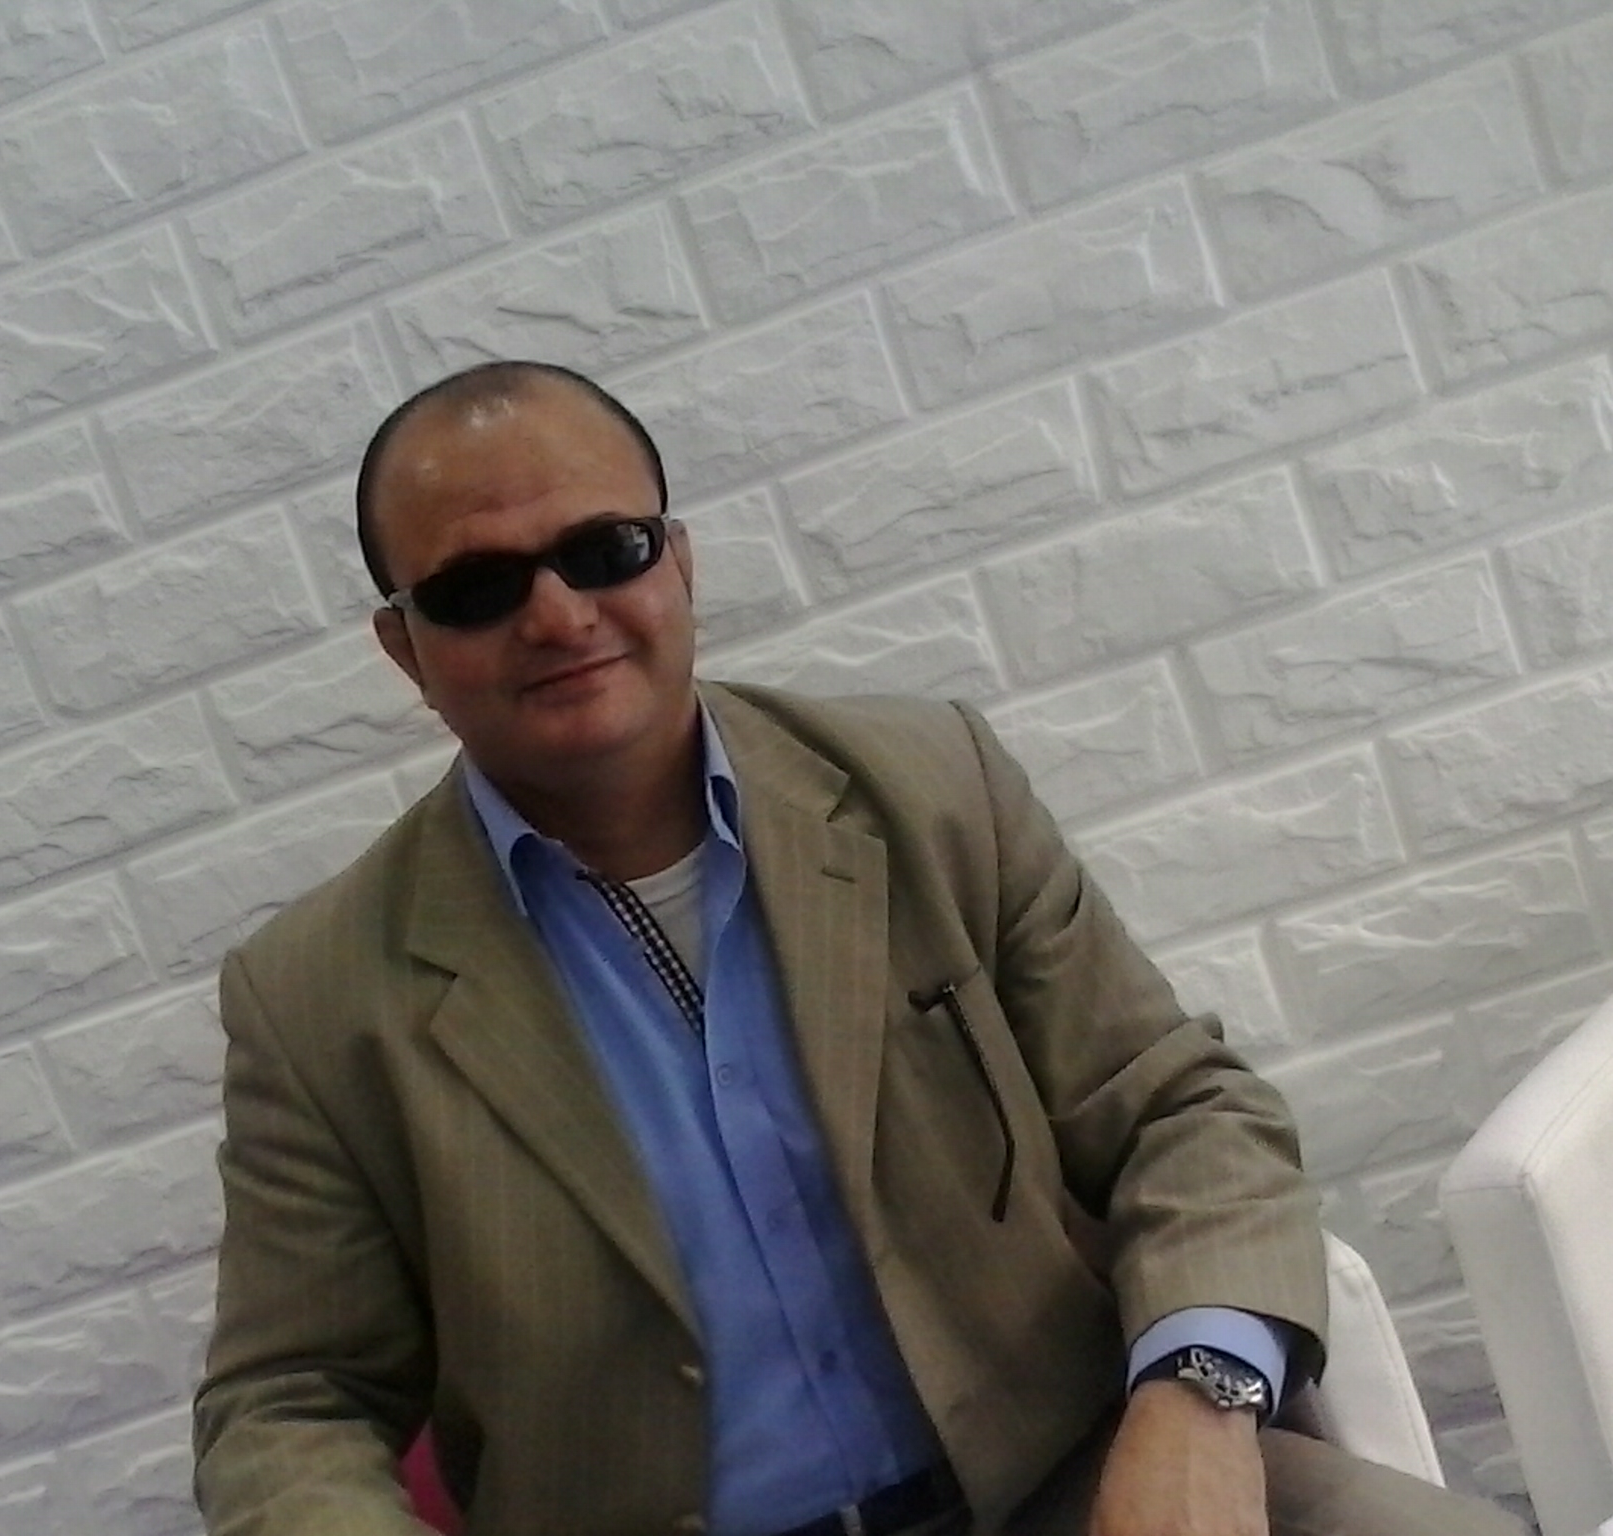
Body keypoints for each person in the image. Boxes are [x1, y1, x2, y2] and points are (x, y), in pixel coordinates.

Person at [192, 362, 1519, 1536]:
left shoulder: (928, 790)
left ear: (678, 565)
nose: (557, 614)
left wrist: (1197, 1402)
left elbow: (1184, 1114)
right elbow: (286, 1406)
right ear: (405, 650)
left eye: (605, 549)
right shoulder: (318, 999)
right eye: (479, 588)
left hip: (1074, 1486)